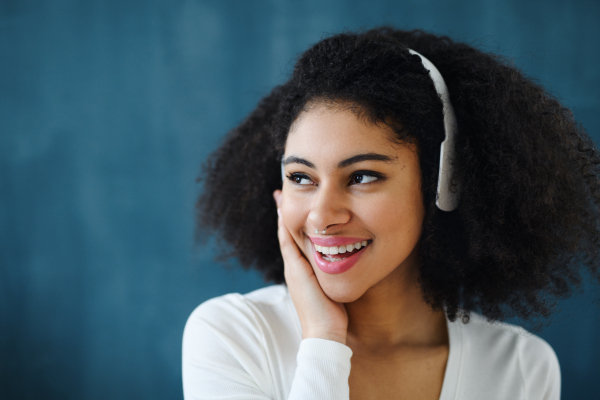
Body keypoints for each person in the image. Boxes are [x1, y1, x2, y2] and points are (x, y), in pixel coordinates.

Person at [182, 27, 600, 399]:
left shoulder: (521, 368)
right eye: (301, 177)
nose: (321, 216)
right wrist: (324, 341)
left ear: (443, 184)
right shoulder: (232, 337)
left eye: (362, 176)